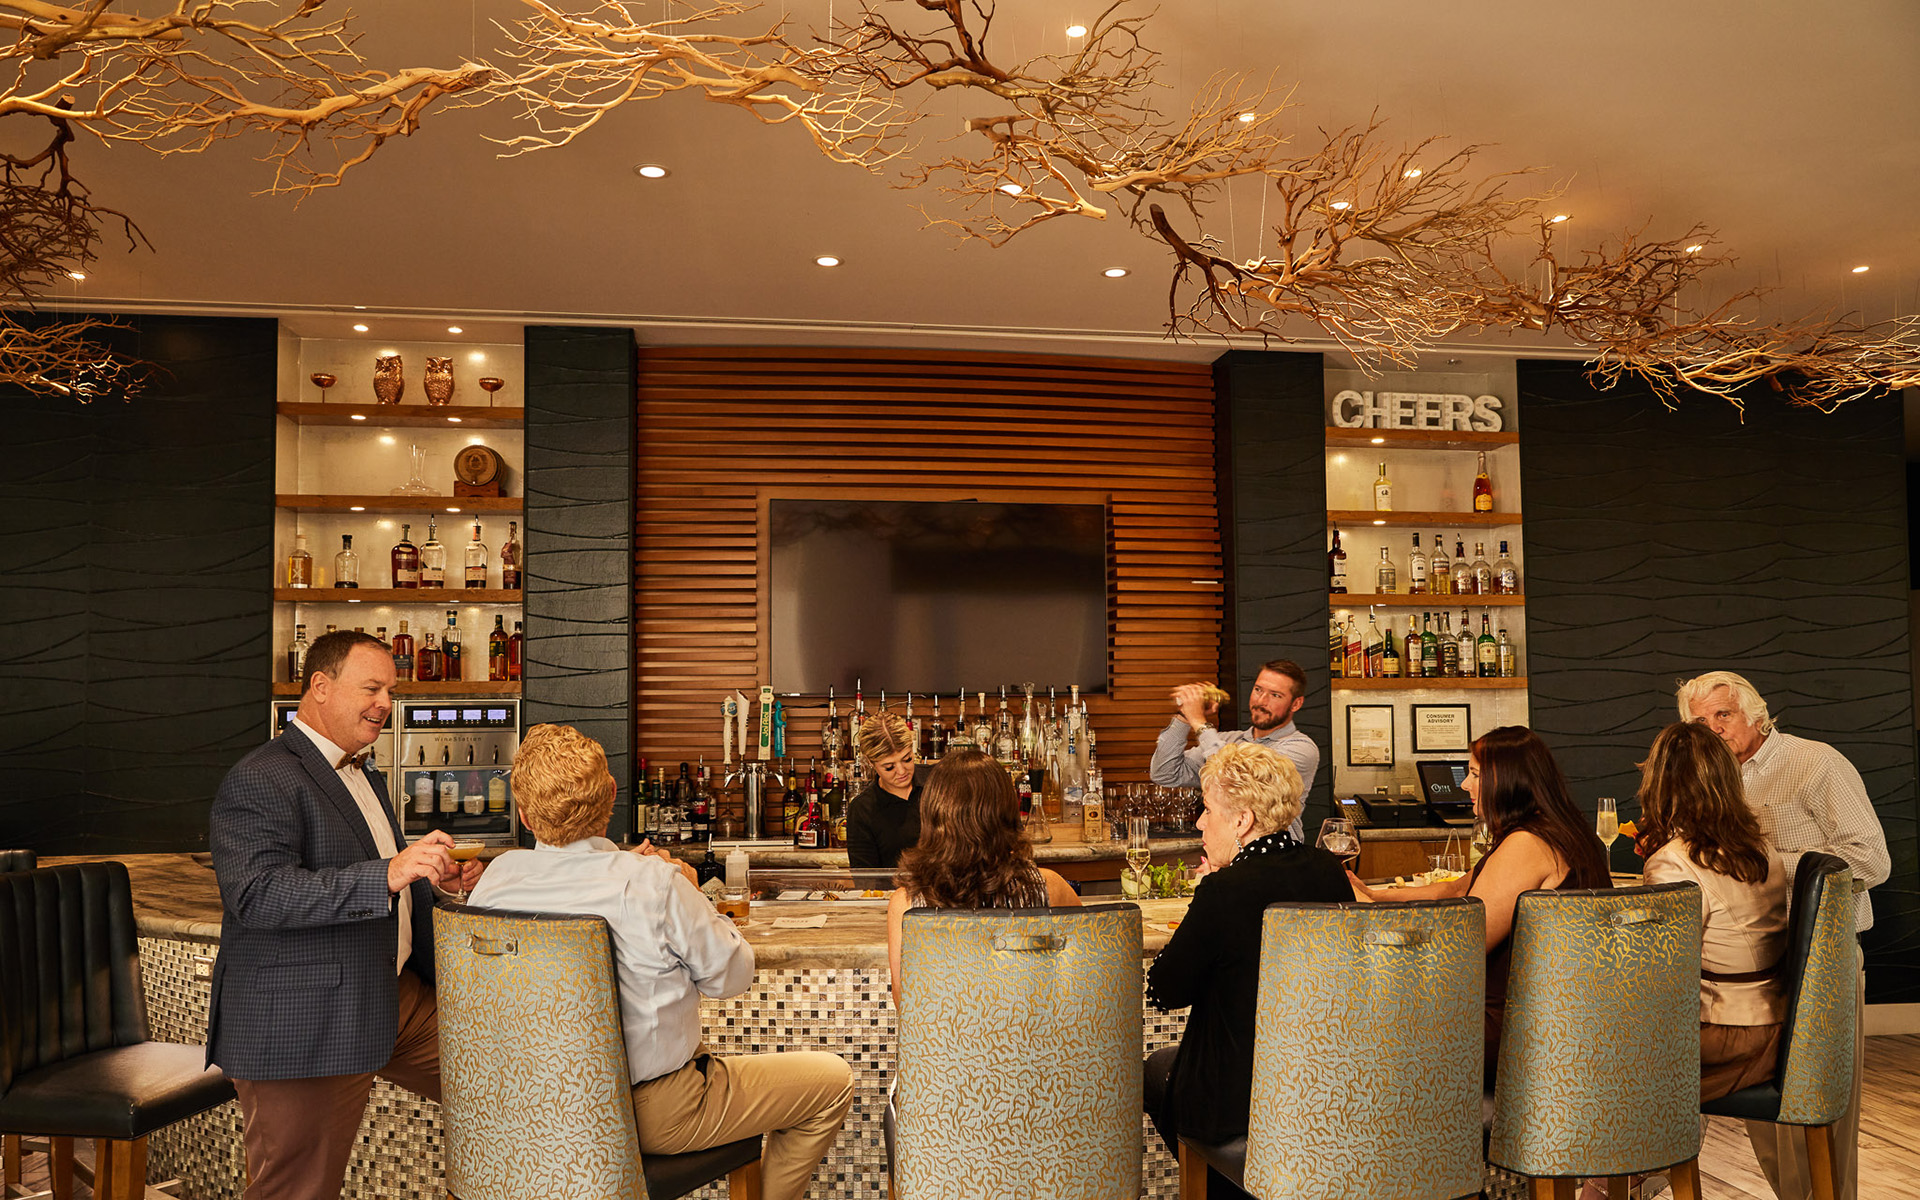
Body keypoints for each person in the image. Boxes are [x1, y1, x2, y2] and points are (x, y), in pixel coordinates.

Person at [469, 723, 853, 1200]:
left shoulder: (496, 880)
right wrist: (691, 892)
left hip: (524, 1109)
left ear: (525, 816)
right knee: (832, 1082)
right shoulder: (655, 882)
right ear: (612, 795)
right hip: (650, 1112)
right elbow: (731, 978)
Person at [208, 630, 479, 1200]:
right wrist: (388, 873)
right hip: (306, 1012)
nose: (386, 703)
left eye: (391, 691)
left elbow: (383, 878)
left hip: (396, 995)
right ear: (320, 686)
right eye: (372, 688)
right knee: (297, 1190)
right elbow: (257, 894)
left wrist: (435, 885)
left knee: (505, 1083)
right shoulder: (261, 776)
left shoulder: (363, 772)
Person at [1678, 671, 1889, 1200]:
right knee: (1770, 1124)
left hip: (1821, 961)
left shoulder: (1815, 764)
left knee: (1820, 1112)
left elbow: (1871, 860)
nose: (1713, 729)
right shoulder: (1712, 779)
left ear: (1755, 714)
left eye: (1723, 715)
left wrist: (1766, 861)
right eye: (1700, 722)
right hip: (1751, 968)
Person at [1143, 742, 1349, 1199]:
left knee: (1155, 1072)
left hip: (1236, 1101)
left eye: (1208, 810)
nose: (1200, 822)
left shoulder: (1224, 890)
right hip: (1320, 1089)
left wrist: (1202, 904)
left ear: (1242, 821)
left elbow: (1164, 990)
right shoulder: (1328, 871)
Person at [1348, 725, 1611, 1076]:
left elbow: (1465, 946)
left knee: (1366, 1015)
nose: (1464, 785)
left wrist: (1376, 929)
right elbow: (1454, 890)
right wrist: (1373, 896)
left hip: (1516, 1028)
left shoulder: (1527, 845)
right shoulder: (1562, 830)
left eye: (1474, 774)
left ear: (1506, 781)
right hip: (1563, 1016)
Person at [1637, 722, 1789, 1100]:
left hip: (1728, 1036)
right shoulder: (1761, 847)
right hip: (1775, 1024)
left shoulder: (1673, 862)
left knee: (1595, 1064)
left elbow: (1662, 976)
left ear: (1660, 783)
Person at [885, 748, 1081, 1003]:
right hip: (1033, 1027)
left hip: (946, 1030)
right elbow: (1084, 971)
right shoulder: (1048, 886)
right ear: (1007, 811)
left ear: (933, 814)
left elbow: (905, 1002)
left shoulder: (906, 904)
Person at [1148, 659, 1317, 841]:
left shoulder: (1301, 748)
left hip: (1276, 855)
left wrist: (1199, 721)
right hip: (1225, 853)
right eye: (1258, 690)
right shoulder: (1226, 740)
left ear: (1296, 704)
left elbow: (1243, 782)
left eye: (1275, 695)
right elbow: (1165, 774)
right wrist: (1184, 716)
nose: (1261, 701)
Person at [845, 712, 929, 869]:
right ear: (870, 763)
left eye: (907, 759)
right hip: (894, 886)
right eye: (889, 767)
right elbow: (865, 877)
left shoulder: (938, 782)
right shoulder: (862, 810)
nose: (902, 771)